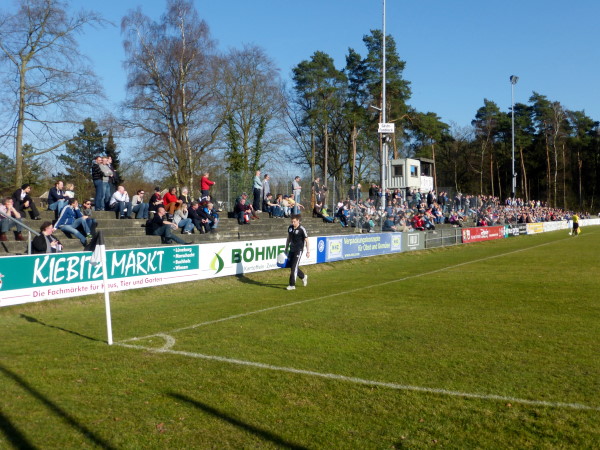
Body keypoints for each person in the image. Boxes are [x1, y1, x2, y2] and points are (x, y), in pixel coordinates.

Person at [284, 214, 310, 290]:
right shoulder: (290, 228)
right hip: (291, 250)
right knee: (292, 267)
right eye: (292, 221)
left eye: (294, 221)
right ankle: (303, 276)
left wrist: (308, 251)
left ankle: (292, 285)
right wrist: (286, 248)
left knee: (294, 267)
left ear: (298, 221)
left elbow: (307, 241)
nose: (293, 223)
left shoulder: (302, 229)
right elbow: (288, 238)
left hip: (298, 250)